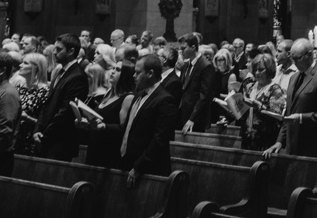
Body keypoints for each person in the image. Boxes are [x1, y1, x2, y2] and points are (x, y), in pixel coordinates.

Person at [262, 38, 317, 158]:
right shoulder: (294, 77)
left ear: (309, 55)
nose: (294, 62)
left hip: (313, 146)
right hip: (293, 145)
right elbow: (290, 113)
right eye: (292, 58)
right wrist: (279, 141)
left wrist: (302, 118)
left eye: (297, 58)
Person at [119, 54, 179, 187]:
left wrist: (139, 167)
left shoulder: (165, 100)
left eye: (138, 72)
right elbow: (128, 128)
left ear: (150, 73)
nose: (134, 76)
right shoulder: (139, 95)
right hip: (129, 164)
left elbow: (160, 139)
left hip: (149, 172)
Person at [33, 33, 89, 160]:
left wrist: (44, 136)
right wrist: (37, 130)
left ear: (71, 51)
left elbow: (65, 113)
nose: (54, 52)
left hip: (60, 142)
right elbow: (47, 105)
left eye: (58, 49)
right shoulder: (61, 72)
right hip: (47, 138)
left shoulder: (77, 77)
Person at [77, 61, 136, 168]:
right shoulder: (108, 93)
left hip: (109, 152)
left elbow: (124, 128)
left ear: (126, 75)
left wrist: (104, 126)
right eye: (113, 68)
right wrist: (86, 123)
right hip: (95, 146)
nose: (112, 72)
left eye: (118, 70)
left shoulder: (128, 98)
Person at [240, 53, 286, 151]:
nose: (257, 73)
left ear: (269, 70)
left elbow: (276, 114)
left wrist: (259, 105)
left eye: (261, 70)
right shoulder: (249, 86)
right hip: (247, 136)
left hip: (265, 138)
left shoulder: (275, 89)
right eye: (255, 69)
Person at [14, 51, 50, 155]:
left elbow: (45, 123)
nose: (20, 65)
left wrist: (27, 118)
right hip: (15, 138)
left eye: (25, 63)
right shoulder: (20, 87)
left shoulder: (45, 92)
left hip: (30, 140)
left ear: (36, 68)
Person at [179, 40, 214, 133]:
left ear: (193, 47)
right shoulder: (186, 64)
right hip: (183, 114)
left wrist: (192, 119)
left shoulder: (206, 66)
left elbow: (204, 96)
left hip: (196, 118)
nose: (181, 51)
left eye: (184, 48)